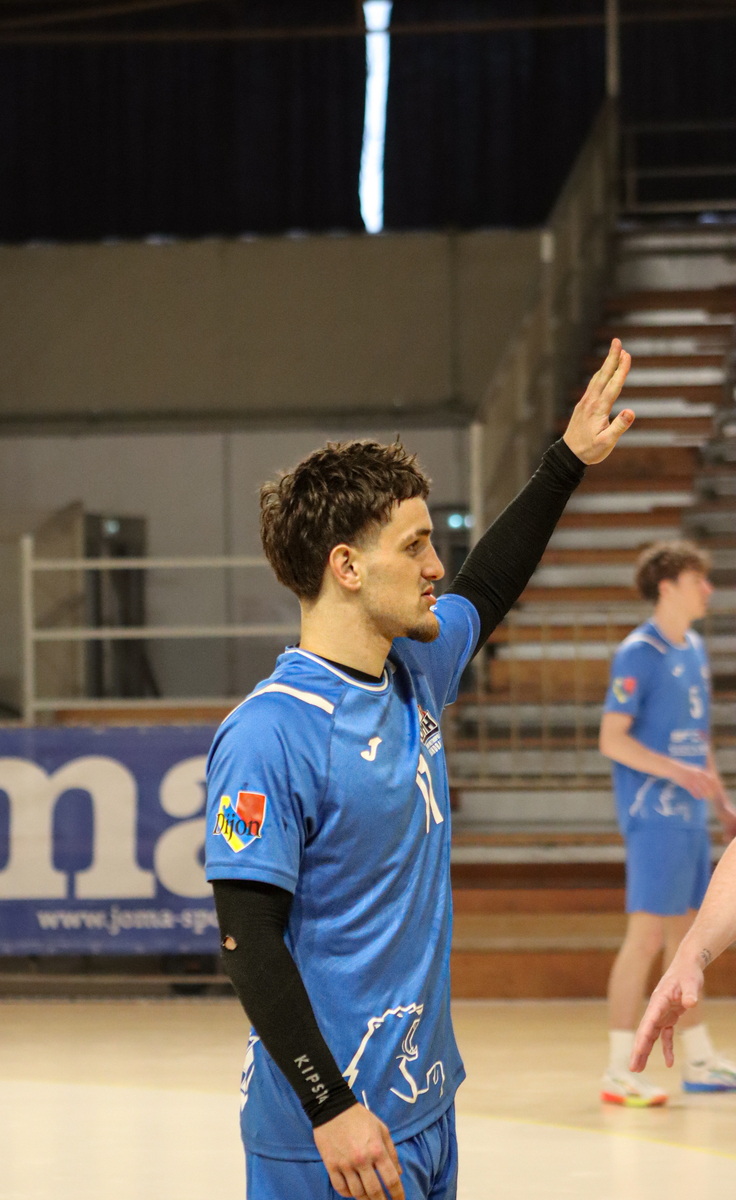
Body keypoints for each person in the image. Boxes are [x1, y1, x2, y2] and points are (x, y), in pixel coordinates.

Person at [205, 340, 633, 1200]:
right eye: (416, 546)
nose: (438, 566)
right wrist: (331, 1109)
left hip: (425, 1112)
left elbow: (490, 584)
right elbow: (248, 942)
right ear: (348, 567)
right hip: (330, 1139)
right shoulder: (269, 733)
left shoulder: (416, 669)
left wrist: (567, 461)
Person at [599, 540, 736, 1107]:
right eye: (697, 579)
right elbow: (612, 739)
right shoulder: (639, 652)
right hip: (652, 815)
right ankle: (617, 1069)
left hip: (689, 818)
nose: (708, 589)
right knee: (647, 938)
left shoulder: (694, 648)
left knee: (688, 938)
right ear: (667, 586)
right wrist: (677, 772)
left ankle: (698, 1059)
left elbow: (699, 740)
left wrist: (722, 802)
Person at [630, 837, 736, 1076]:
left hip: (689, 825)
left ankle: (700, 1057)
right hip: (662, 824)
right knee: (648, 936)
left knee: (673, 926)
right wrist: (690, 957)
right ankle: (619, 1064)